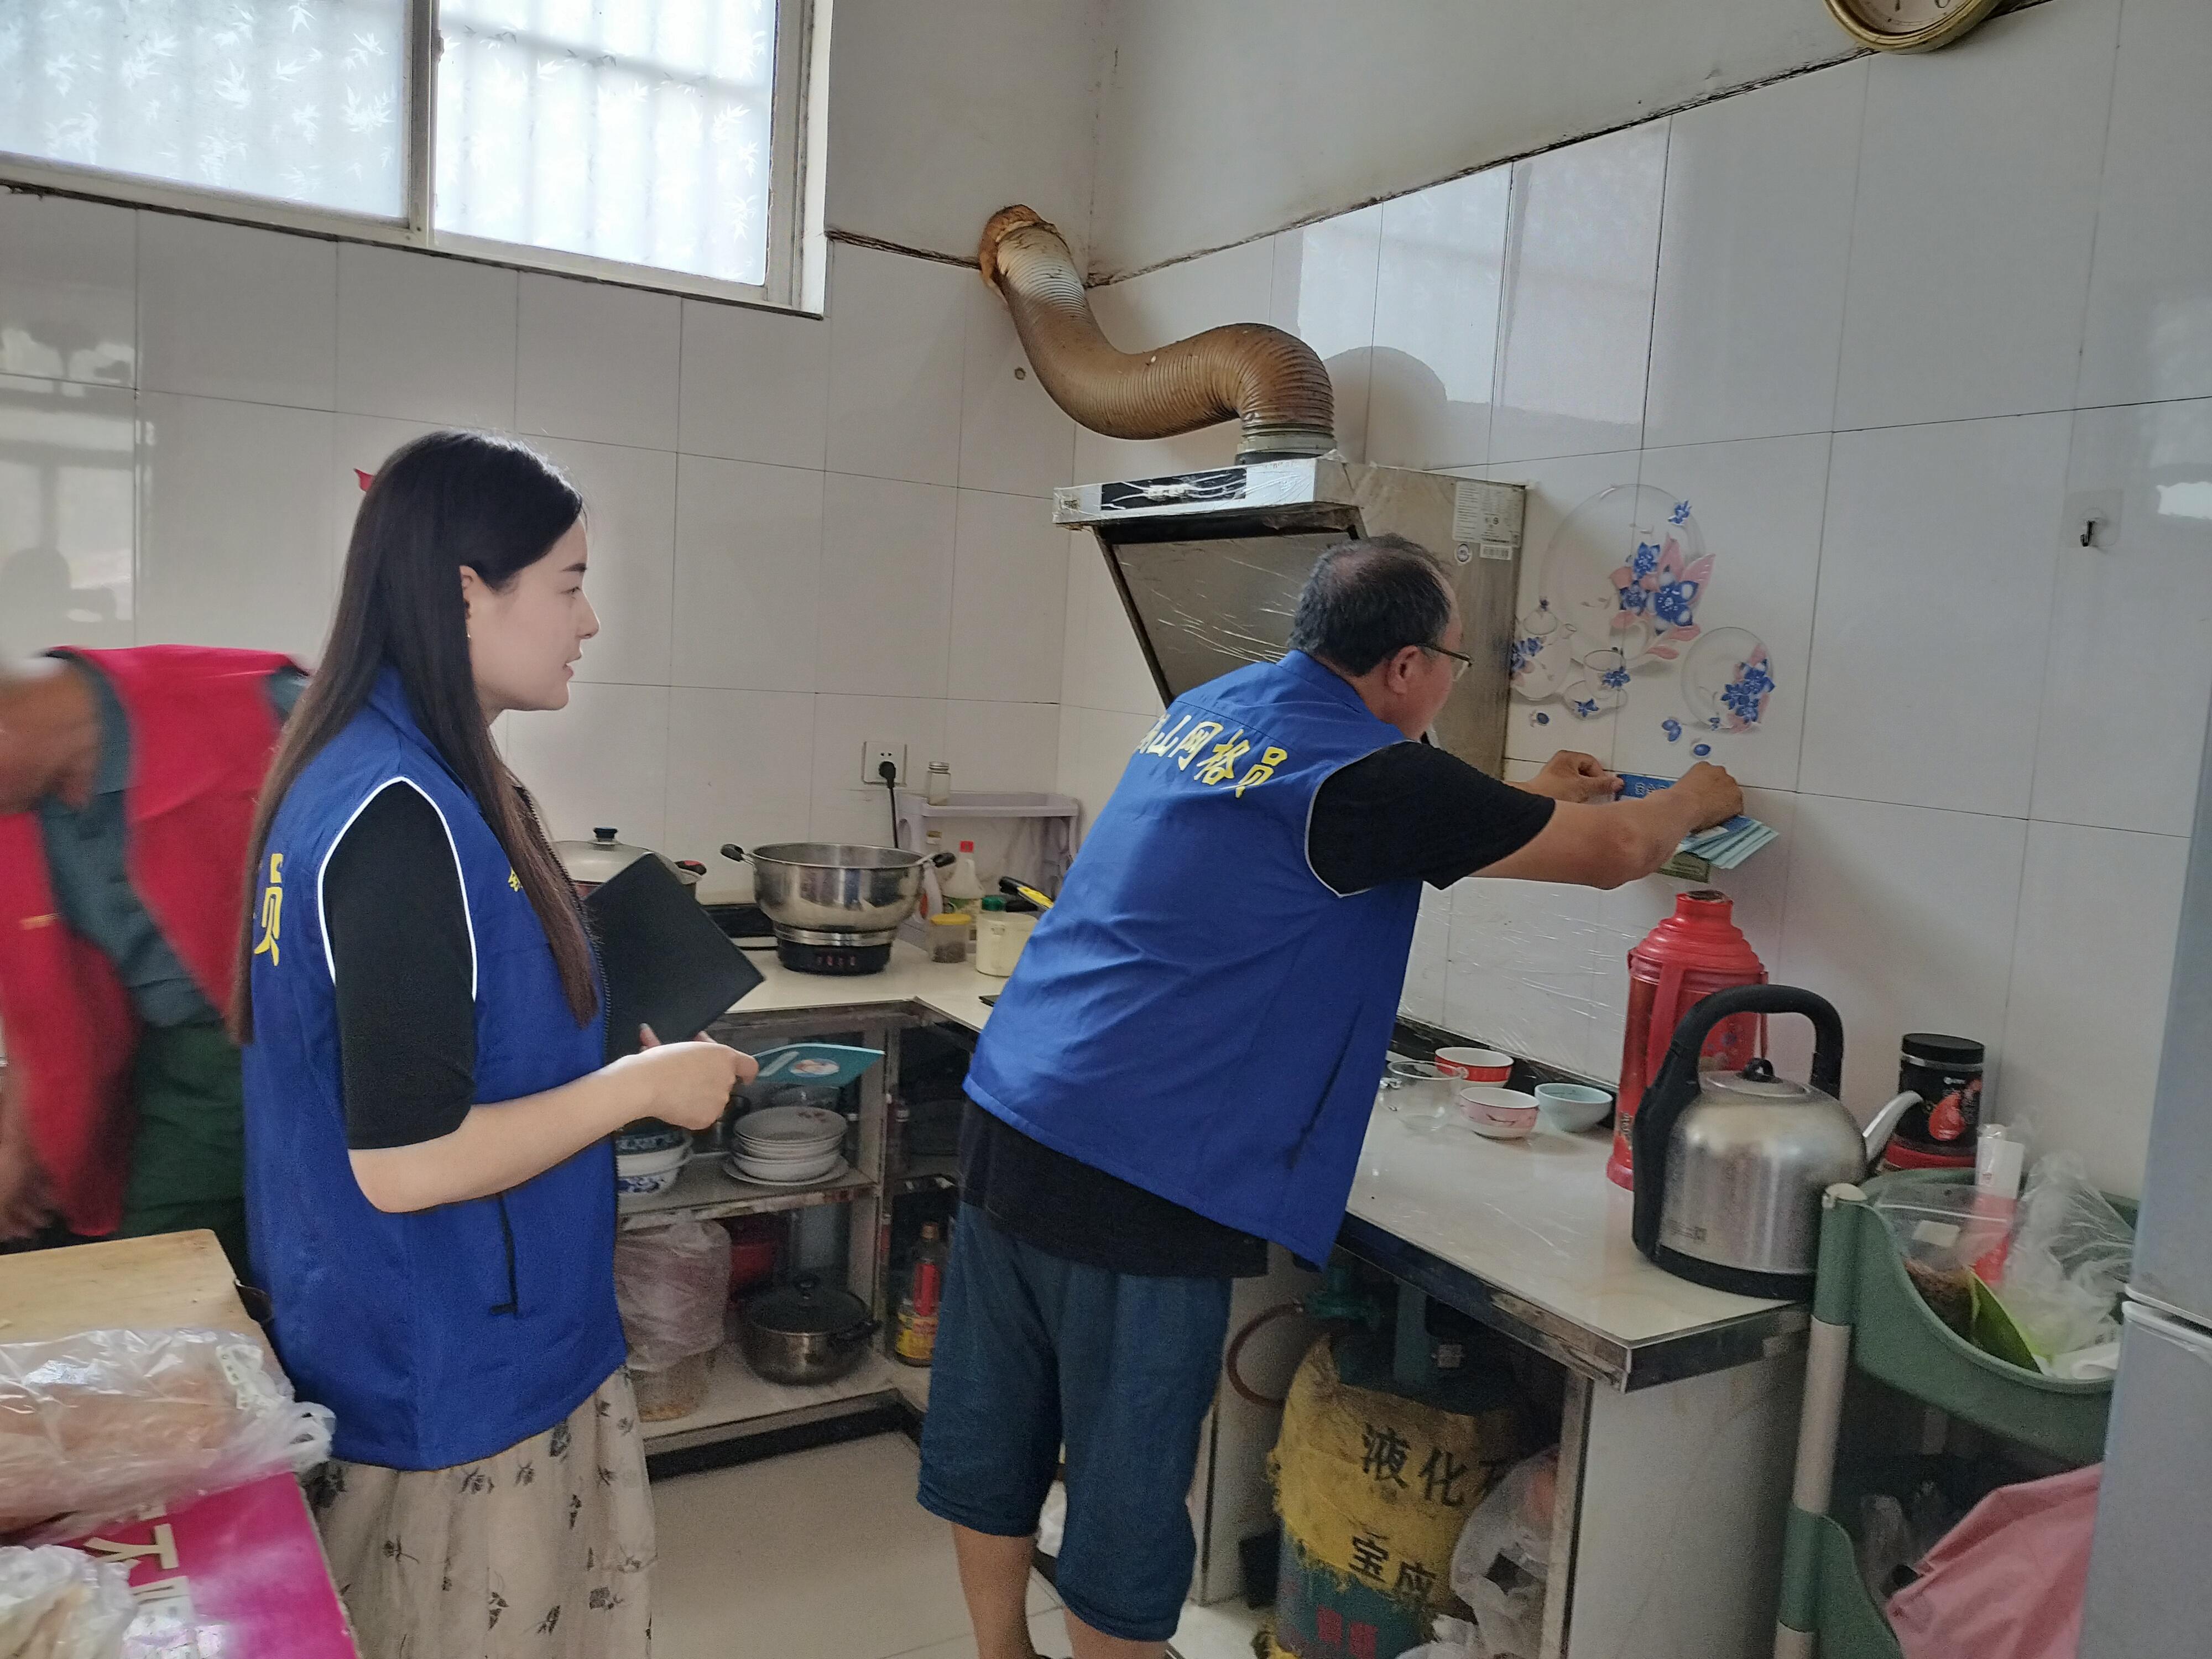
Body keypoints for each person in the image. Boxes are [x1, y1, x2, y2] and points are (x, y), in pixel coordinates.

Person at [920, 534, 1745, 1659]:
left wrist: (1525, 797)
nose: (1450, 680)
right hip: (1139, 1161)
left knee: (997, 1424)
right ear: (1406, 666)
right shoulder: (1378, 781)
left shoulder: (1220, 707)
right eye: (1453, 659)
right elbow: (1617, 851)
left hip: (1019, 1107)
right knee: (1124, 1485)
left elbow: (1379, 819)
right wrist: (1695, 796)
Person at [235, 431, 752, 1659]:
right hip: (452, 1369)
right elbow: (405, 1162)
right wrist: (635, 1085)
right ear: (468, 589)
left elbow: (452, 1028)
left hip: (477, 1330)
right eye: (569, 585)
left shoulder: (413, 775)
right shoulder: (397, 814)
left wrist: (590, 1044)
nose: (588, 622)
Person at [0, 645, 306, 1269]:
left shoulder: (262, 707)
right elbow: (43, 1003)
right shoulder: (27, 802)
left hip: (317, 1044)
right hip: (177, 1062)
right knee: (149, 1272)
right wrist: (17, 1148)